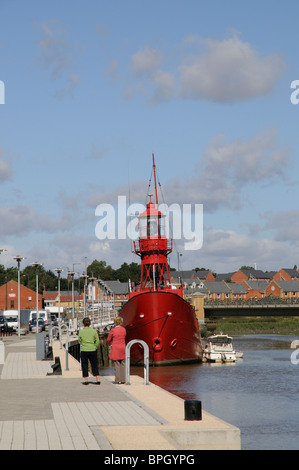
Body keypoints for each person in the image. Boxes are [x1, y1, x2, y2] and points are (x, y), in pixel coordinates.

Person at [78, 317, 100, 385]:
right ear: (90, 323)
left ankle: (86, 380)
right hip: (92, 349)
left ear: (83, 324)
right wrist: (95, 347)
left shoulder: (81, 331)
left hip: (84, 349)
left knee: (84, 364)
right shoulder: (94, 331)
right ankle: (97, 379)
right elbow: (97, 341)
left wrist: (83, 344)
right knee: (94, 364)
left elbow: (79, 341)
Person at [107, 316, 126, 384]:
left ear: (115, 322)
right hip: (123, 347)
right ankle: (123, 379)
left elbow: (108, 339)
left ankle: (117, 380)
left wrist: (110, 344)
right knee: (123, 364)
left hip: (116, 347)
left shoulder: (113, 330)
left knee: (117, 364)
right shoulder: (123, 329)